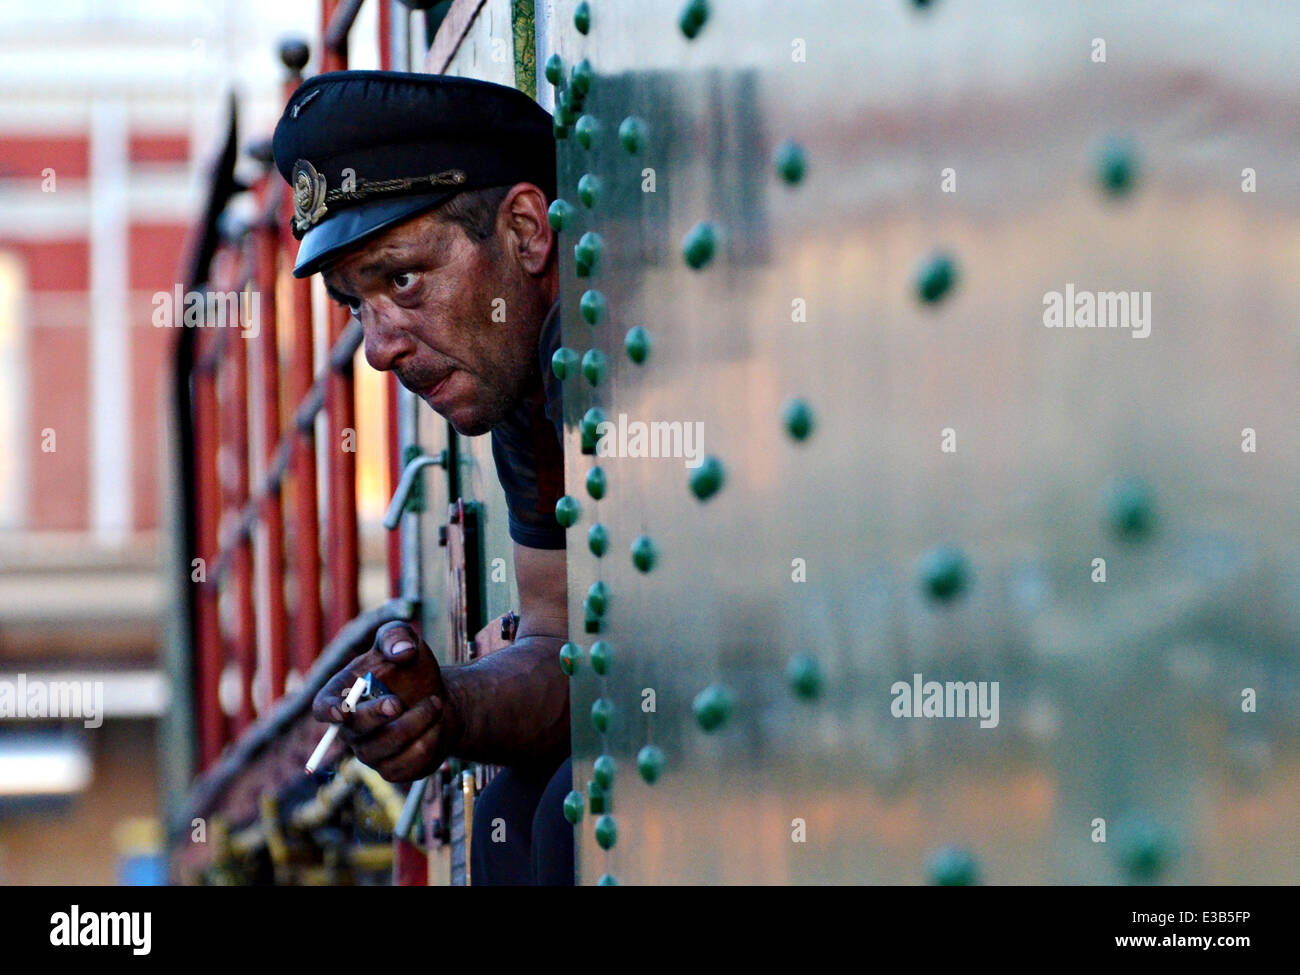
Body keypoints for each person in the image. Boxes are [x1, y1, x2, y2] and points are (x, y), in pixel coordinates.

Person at [271, 70, 573, 885]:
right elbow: (559, 639)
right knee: (511, 816)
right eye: (354, 303)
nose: (378, 347)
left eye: (402, 278)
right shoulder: (519, 385)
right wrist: (446, 706)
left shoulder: (565, 343)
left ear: (525, 229)